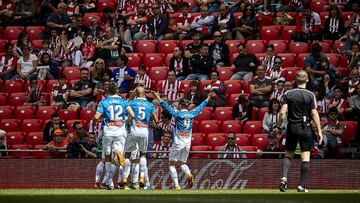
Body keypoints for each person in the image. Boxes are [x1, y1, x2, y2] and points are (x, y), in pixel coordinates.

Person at [152, 90, 215, 189]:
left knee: (171, 164)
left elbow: (167, 107)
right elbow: (201, 106)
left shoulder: (178, 114)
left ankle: (177, 185)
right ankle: (189, 174)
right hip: (187, 143)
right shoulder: (192, 114)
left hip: (178, 142)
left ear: (181, 106)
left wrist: (158, 97)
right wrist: (208, 97)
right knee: (182, 163)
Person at [278, 70, 323, 192]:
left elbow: (282, 112)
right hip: (305, 128)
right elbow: (314, 113)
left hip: (292, 127)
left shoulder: (288, 93)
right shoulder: (310, 95)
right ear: (307, 80)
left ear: (296, 80)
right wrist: (319, 131)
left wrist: (279, 126)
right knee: (305, 157)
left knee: (288, 154)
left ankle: (284, 177)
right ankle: (301, 186)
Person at [92, 81, 135, 190]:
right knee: (117, 152)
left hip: (108, 131)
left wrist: (93, 123)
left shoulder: (104, 102)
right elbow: (132, 115)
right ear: (117, 90)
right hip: (120, 131)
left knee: (107, 158)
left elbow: (96, 117)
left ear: (107, 91)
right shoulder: (123, 102)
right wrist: (126, 122)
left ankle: (110, 184)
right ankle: (117, 152)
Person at [121, 86, 158, 190]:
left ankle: (124, 178)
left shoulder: (132, 103)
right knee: (142, 155)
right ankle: (142, 177)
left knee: (127, 154)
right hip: (144, 131)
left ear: (136, 94)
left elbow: (126, 111)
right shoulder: (150, 104)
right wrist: (149, 117)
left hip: (133, 130)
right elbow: (156, 120)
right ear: (144, 94)